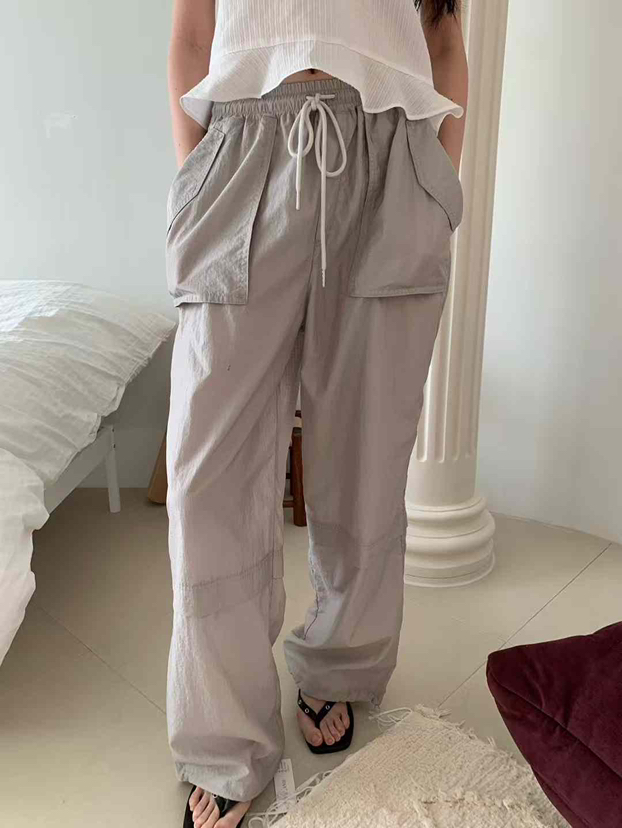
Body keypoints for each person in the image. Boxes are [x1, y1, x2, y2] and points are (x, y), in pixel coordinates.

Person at [165, 1, 468, 826]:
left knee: (367, 453)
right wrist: (194, 177)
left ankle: (338, 665)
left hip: (388, 154)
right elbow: (192, 30)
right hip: (242, 148)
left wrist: (439, 186)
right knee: (208, 476)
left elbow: (444, 33)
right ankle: (223, 737)